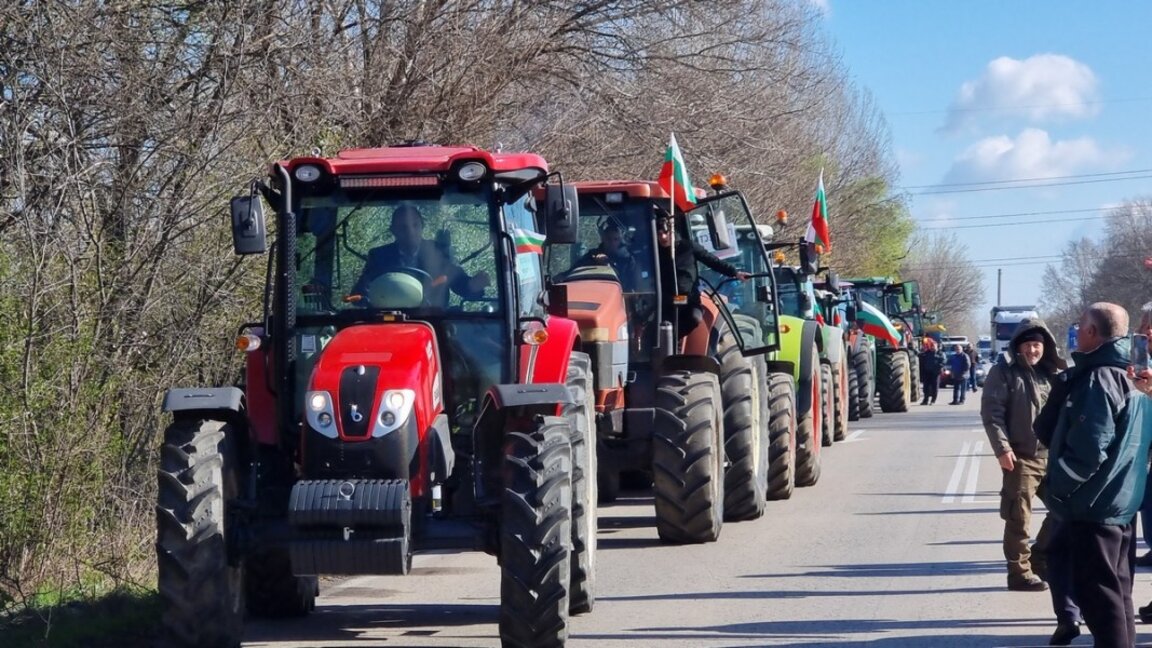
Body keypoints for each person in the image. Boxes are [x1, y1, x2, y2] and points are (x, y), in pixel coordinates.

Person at [1040, 302, 1150, 648]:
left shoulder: (1100, 378)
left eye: (1080, 327)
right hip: (1119, 503)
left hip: (1094, 507)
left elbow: (1088, 451)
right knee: (1117, 595)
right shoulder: (1134, 379)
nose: (1077, 333)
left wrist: (1057, 489)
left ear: (1091, 332)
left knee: (1101, 600)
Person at [980, 319, 1064, 596]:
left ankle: (1039, 557)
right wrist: (1003, 449)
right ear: (1018, 345)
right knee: (1019, 519)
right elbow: (992, 415)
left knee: (1064, 510)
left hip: (1051, 456)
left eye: (1037, 345)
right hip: (1020, 458)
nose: (1032, 350)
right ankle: (1019, 573)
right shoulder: (1003, 373)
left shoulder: (1051, 373)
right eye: (1028, 344)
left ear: (1045, 346)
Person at [353, 204, 489, 307]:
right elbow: (361, 292)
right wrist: (365, 297)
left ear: (422, 226)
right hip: (389, 321)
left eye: (415, 225)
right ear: (393, 230)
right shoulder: (379, 256)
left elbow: (462, 285)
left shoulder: (439, 253)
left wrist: (473, 285)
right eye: (403, 227)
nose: (410, 232)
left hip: (434, 322)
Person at [655, 207, 749, 338]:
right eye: (659, 234)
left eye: (665, 232)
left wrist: (735, 273)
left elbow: (712, 261)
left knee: (695, 317)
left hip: (687, 299)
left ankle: (673, 341)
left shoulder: (688, 247)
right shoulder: (653, 254)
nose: (663, 237)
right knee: (659, 325)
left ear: (672, 230)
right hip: (664, 301)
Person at [576, 222, 642, 290]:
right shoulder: (591, 256)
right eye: (608, 239)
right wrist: (596, 264)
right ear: (603, 239)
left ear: (620, 241)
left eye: (615, 239)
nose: (612, 243)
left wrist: (608, 267)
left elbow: (633, 286)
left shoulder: (627, 260)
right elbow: (575, 273)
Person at [918, 338, 945, 405]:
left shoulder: (940, 353)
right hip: (927, 372)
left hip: (935, 373)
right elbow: (920, 356)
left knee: (934, 387)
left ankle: (933, 400)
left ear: (937, 346)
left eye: (934, 346)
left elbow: (943, 361)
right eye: (932, 346)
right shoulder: (927, 353)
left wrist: (938, 367)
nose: (933, 347)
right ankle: (925, 400)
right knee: (925, 387)